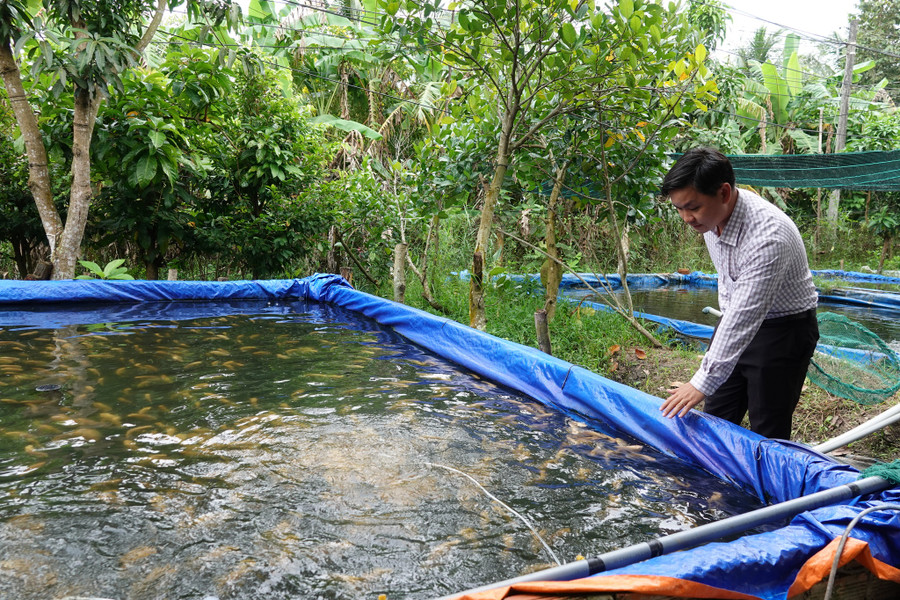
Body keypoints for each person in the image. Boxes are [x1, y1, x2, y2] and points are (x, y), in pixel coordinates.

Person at [659, 147, 819, 439]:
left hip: (783, 333)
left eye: (692, 207)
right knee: (716, 417)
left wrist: (699, 382)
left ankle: (767, 484)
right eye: (679, 208)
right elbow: (732, 291)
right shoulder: (711, 219)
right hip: (735, 318)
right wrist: (706, 379)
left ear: (723, 192)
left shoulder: (769, 236)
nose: (686, 218)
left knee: (768, 429)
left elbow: (746, 314)